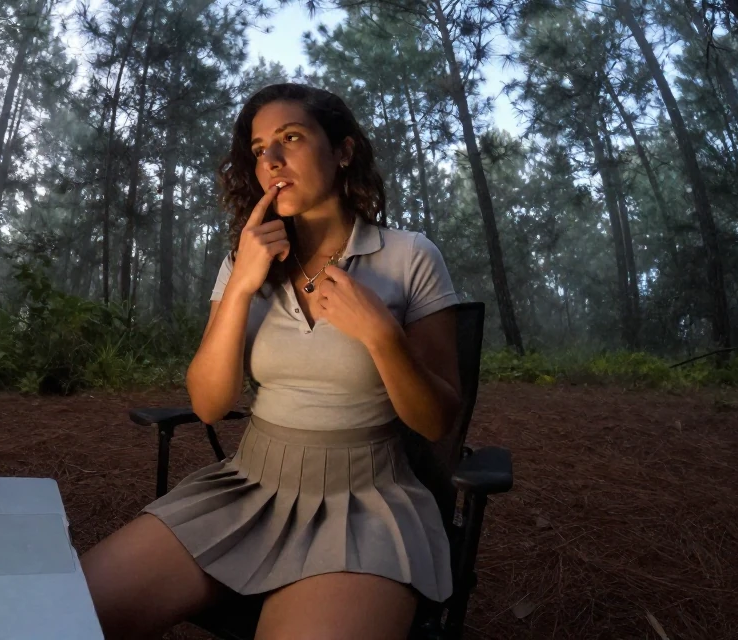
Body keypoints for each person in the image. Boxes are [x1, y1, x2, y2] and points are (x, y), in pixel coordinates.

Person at [81, 83, 463, 639]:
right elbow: (210, 404)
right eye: (260, 149)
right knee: (67, 614)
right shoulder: (247, 258)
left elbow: (437, 421)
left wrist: (382, 336)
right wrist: (239, 287)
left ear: (344, 151)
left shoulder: (409, 256)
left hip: (365, 502)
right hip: (250, 486)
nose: (272, 161)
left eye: (291, 138)